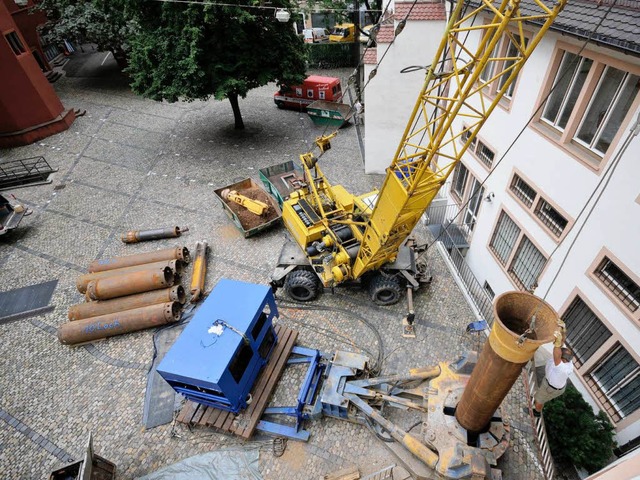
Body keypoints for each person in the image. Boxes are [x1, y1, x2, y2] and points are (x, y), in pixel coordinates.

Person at [530, 323, 573, 417]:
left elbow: (557, 352)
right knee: (541, 396)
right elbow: (562, 344)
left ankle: (536, 412)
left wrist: (557, 345)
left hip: (550, 388)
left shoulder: (562, 368)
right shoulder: (567, 357)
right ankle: (540, 398)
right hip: (553, 384)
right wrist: (563, 330)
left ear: (563, 359)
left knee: (539, 400)